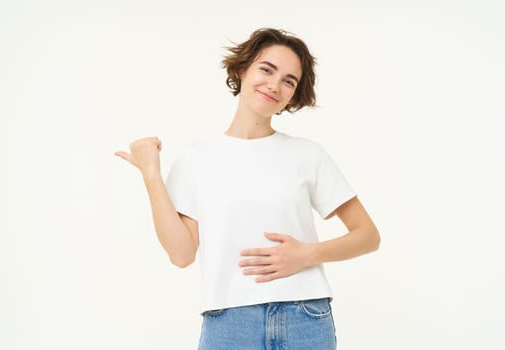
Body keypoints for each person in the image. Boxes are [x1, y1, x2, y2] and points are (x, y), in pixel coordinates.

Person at [115, 28, 380, 350]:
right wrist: (151, 174)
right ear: (242, 70)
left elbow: (368, 235)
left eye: (289, 81)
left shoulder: (307, 154)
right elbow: (181, 254)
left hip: (306, 316)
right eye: (266, 70)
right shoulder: (196, 157)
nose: (274, 85)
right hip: (229, 321)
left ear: (294, 95)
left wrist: (306, 254)